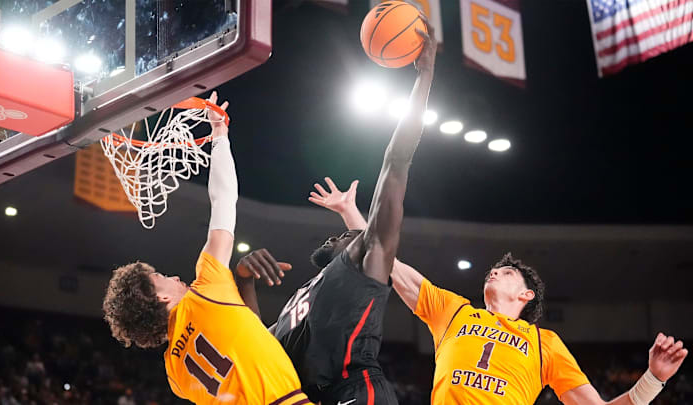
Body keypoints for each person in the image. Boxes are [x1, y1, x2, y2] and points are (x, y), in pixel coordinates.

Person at [305, 177, 689, 405]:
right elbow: (389, 262)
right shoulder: (454, 312)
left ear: (526, 296)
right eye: (493, 270)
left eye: (505, 272)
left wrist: (653, 379)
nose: (493, 273)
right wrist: (349, 214)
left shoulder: (546, 344)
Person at [235, 18, 437, 405]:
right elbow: (260, 344)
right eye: (347, 231)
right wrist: (244, 280)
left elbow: (396, 161)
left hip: (355, 390)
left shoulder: (363, 264)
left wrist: (424, 77)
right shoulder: (302, 297)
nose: (342, 233)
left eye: (351, 232)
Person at [102, 92, 312, 405]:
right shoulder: (205, 291)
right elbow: (223, 200)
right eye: (161, 277)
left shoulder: (176, 377)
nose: (173, 276)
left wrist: (245, 283)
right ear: (160, 297)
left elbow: (248, 339)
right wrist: (220, 136)